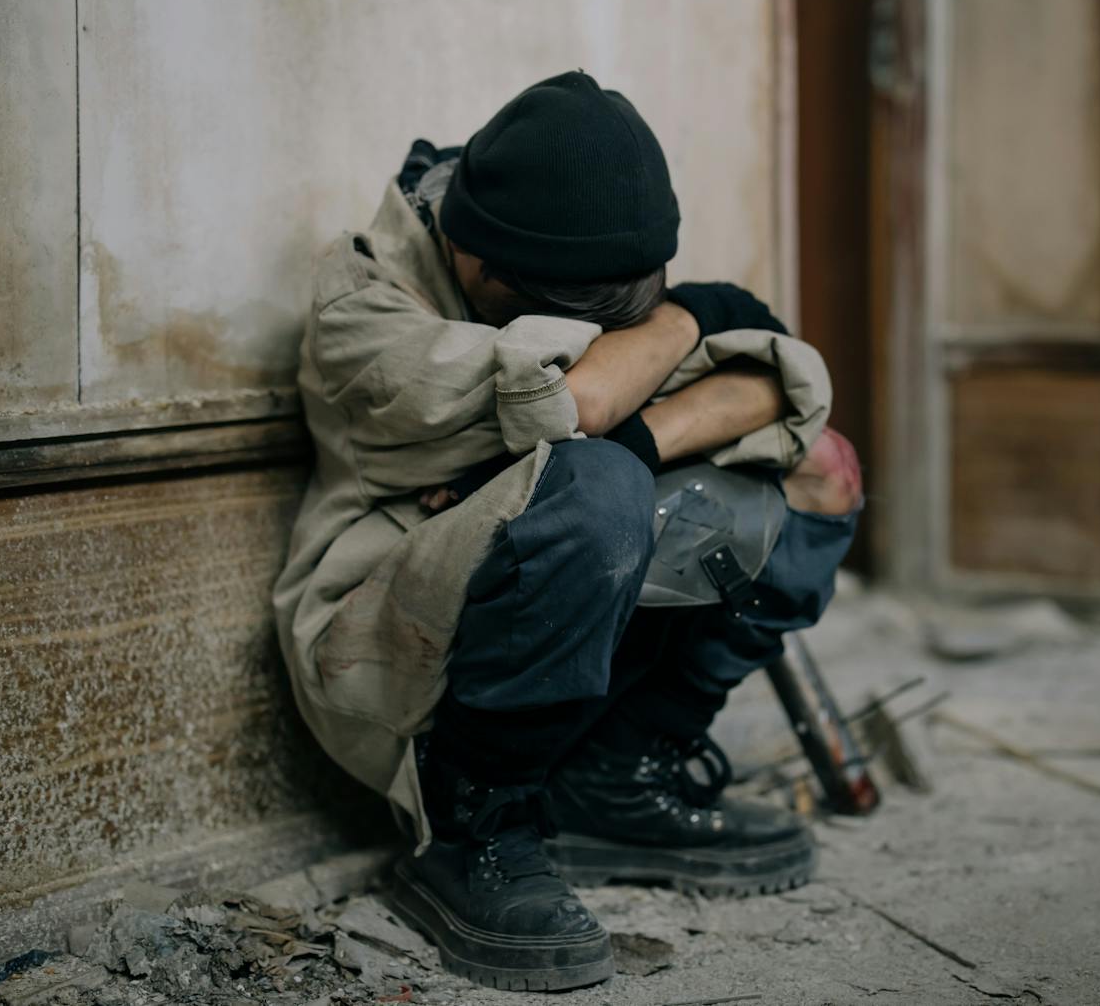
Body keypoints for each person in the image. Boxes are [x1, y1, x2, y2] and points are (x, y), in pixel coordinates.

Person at [272, 71, 862, 992]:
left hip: (536, 570)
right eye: (592, 318)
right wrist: (680, 333)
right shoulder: (369, 308)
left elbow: (774, 376)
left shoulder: (562, 233)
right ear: (481, 270)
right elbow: (574, 398)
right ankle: (474, 831)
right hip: (390, 651)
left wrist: (683, 330)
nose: (625, 326)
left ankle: (618, 778)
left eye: (637, 303)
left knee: (819, 468)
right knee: (594, 489)